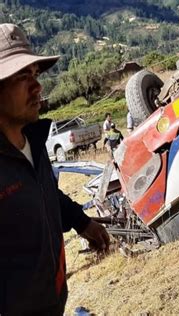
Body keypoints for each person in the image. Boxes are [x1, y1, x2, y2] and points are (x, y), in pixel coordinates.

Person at [0, 23, 110, 314]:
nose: (37, 86)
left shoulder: (33, 142)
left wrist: (81, 222)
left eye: (35, 74)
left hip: (53, 302)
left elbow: (43, 192)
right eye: (23, 76)